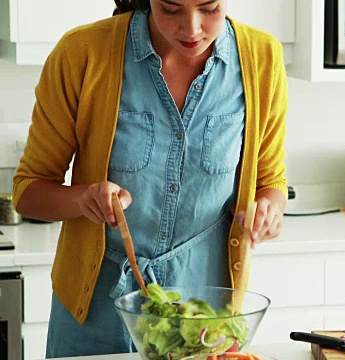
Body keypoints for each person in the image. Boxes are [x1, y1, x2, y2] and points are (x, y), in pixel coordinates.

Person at [12, 0, 288, 357]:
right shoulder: (83, 53)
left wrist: (268, 208)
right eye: (171, 9)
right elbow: (28, 192)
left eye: (210, 8)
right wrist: (82, 198)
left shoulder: (261, 58)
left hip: (204, 317)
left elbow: (272, 180)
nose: (191, 28)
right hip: (94, 314)